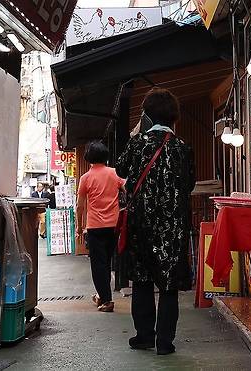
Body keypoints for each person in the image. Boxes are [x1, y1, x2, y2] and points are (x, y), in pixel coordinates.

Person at [116, 88, 195, 356]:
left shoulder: (137, 143)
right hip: (173, 227)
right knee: (169, 284)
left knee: (142, 280)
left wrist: (137, 133)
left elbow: (121, 169)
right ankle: (165, 342)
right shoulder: (182, 148)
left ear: (147, 115)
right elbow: (190, 184)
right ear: (174, 117)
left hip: (141, 225)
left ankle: (145, 336)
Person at [76, 141, 125, 313]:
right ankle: (101, 295)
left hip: (95, 226)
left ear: (88, 157)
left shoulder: (86, 178)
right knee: (107, 261)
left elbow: (80, 205)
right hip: (114, 225)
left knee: (99, 264)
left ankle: (106, 300)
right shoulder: (115, 173)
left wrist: (78, 226)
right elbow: (129, 189)